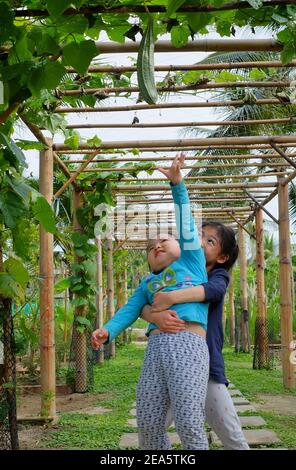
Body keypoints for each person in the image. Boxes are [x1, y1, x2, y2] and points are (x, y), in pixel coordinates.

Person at [92, 153, 210, 450]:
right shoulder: (146, 283)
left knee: (188, 421)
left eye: (163, 240)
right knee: (147, 422)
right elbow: (129, 311)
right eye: (149, 246)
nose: (156, 244)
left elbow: (186, 226)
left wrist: (177, 185)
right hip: (155, 349)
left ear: (180, 248)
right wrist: (107, 330)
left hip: (188, 345)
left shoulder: (193, 263)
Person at [141, 221, 249, 450]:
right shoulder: (173, 270)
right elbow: (143, 302)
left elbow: (213, 291)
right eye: (200, 235)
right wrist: (153, 316)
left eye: (210, 241)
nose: (201, 241)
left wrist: (173, 297)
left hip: (207, 367)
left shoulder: (218, 275)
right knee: (150, 429)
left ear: (222, 257)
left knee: (230, 434)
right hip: (168, 366)